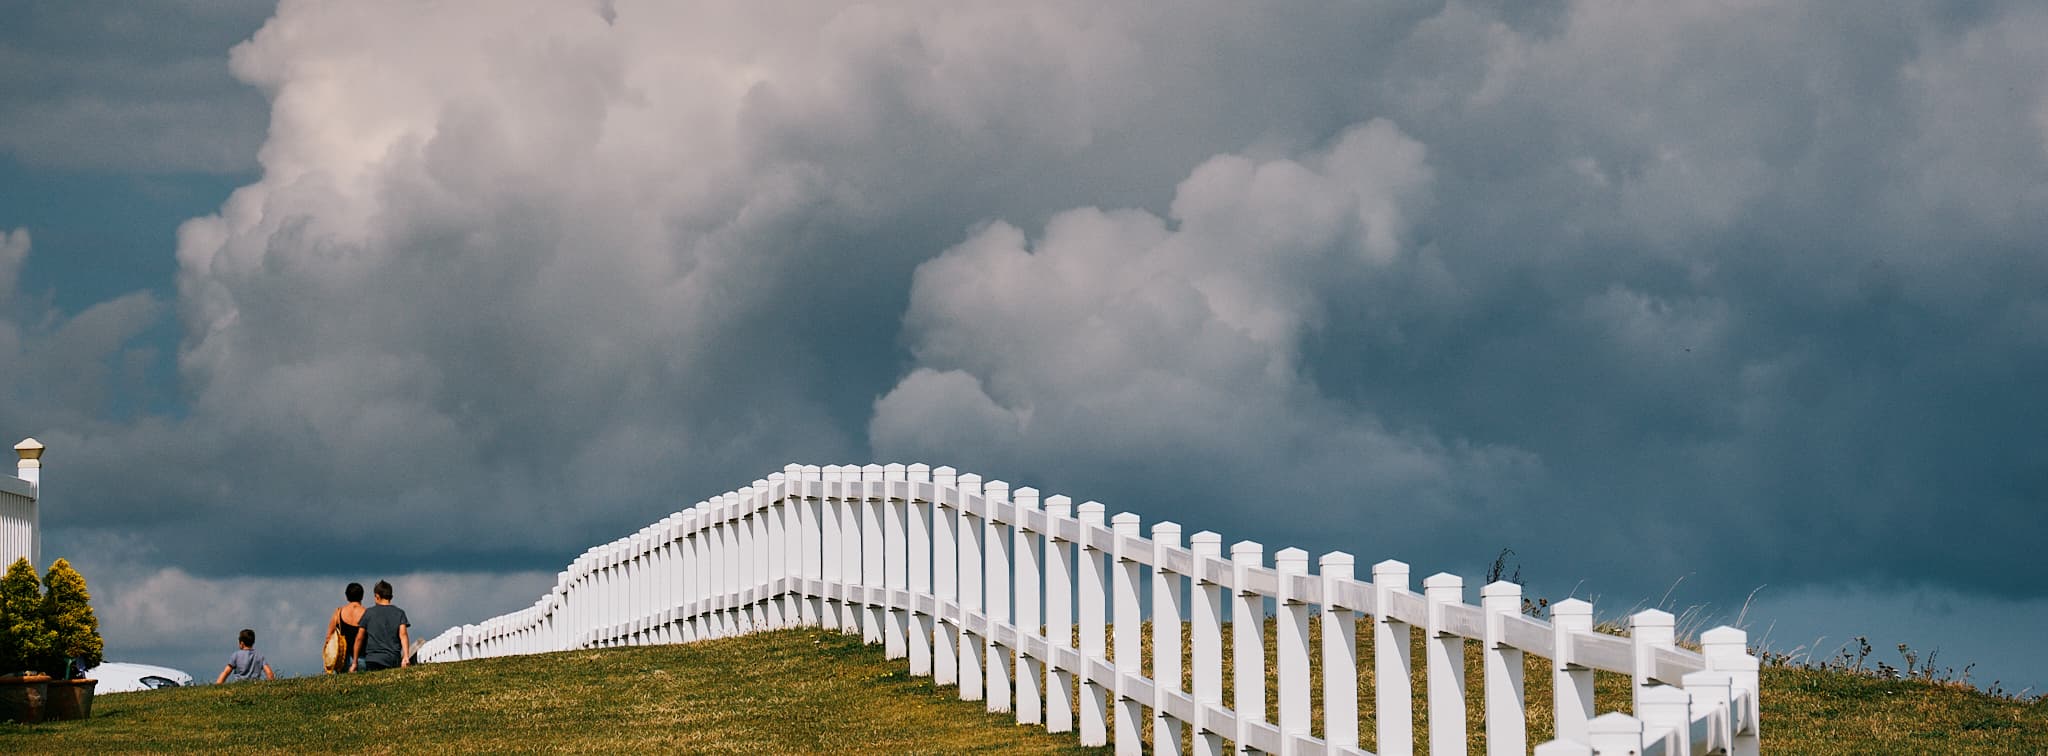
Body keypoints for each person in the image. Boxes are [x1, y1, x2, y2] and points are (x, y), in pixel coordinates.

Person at [351, 580, 410, 672]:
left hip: (372, 659)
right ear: (391, 596)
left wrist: (355, 662)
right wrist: (406, 656)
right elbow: (403, 635)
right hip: (393, 659)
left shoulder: (369, 613)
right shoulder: (399, 613)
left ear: (377, 596)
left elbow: (359, 638)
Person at [324, 582, 368, 673]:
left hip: (343, 659)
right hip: (363, 658)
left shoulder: (338, 612)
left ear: (347, 596)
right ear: (362, 596)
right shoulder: (367, 613)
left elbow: (329, 636)